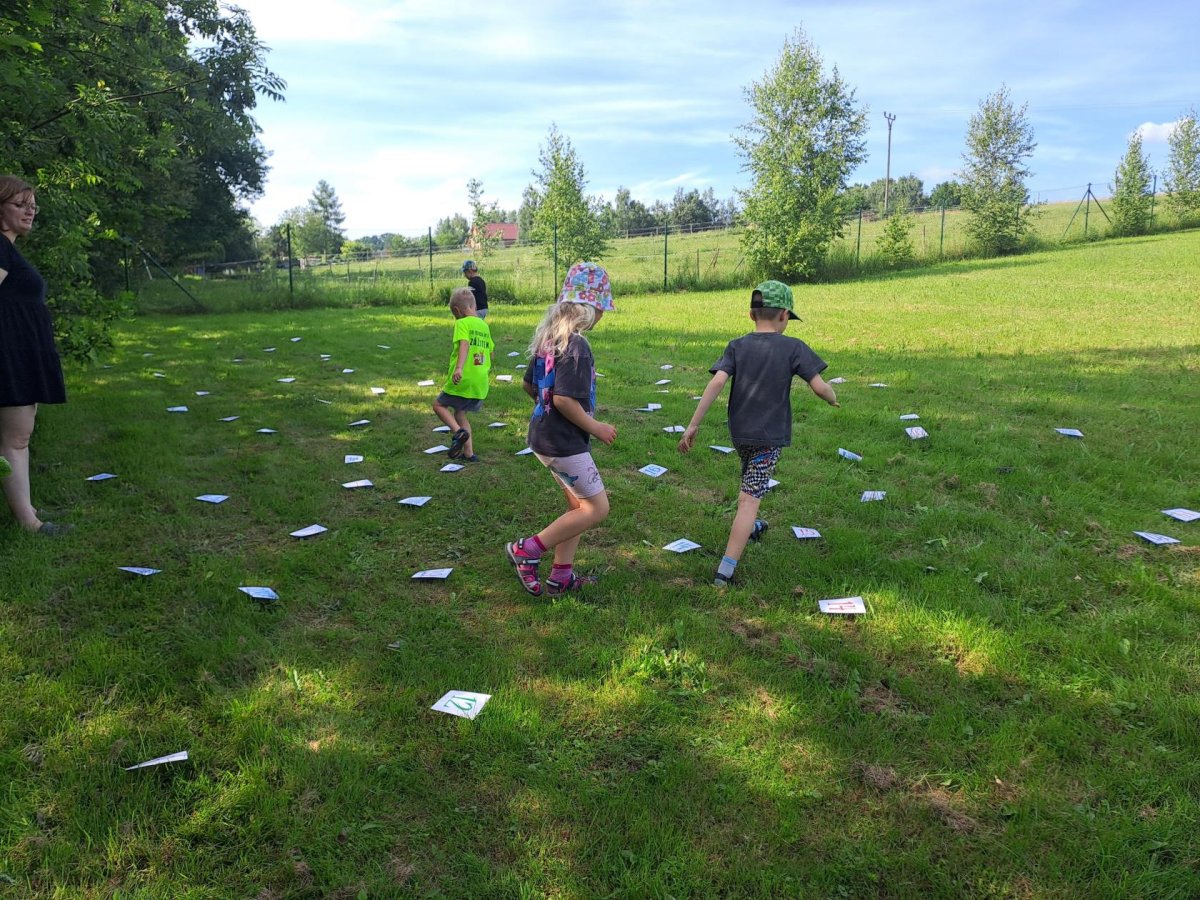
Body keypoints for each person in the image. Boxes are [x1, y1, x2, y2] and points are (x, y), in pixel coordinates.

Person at [678, 280, 838, 587]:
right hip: (768, 437)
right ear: (785, 315)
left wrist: (694, 424)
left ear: (752, 315)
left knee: (750, 482)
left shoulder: (736, 346)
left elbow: (716, 382)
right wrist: (832, 398)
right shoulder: (794, 347)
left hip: (741, 434)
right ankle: (725, 571)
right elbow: (820, 387)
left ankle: (750, 528)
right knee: (749, 500)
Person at [506, 262, 617, 597]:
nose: (603, 315)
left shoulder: (550, 339)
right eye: (602, 308)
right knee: (597, 508)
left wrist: (546, 410)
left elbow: (529, 384)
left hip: (543, 436)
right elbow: (565, 400)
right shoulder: (577, 345)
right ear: (590, 308)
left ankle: (561, 577)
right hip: (564, 443)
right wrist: (596, 427)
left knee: (578, 506)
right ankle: (527, 550)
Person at [0, 175, 70, 536]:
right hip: (9, 356)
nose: (30, 211)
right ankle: (29, 523)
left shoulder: (7, 248)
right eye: (20, 205)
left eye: (32, 206)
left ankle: (25, 510)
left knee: (16, 439)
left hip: (19, 353)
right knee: (15, 439)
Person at [432, 286, 493, 461]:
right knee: (460, 413)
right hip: (480, 381)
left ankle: (458, 432)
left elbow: (464, 344)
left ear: (458, 311)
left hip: (463, 378)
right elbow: (490, 352)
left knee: (438, 405)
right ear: (474, 306)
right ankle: (469, 454)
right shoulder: (483, 325)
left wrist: (459, 368)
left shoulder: (462, 323)